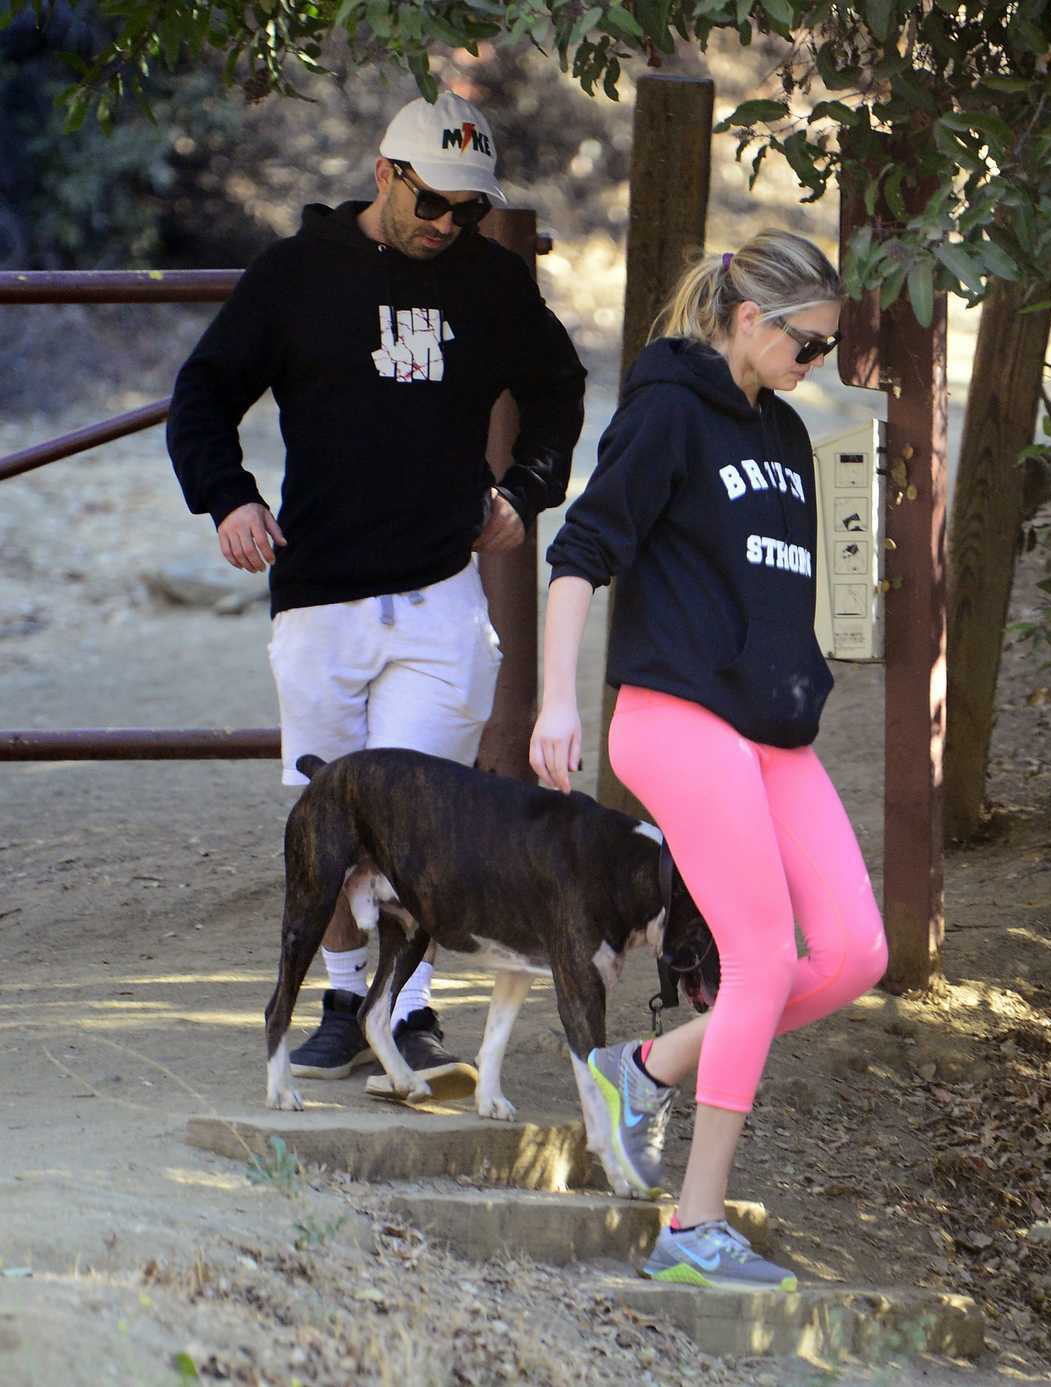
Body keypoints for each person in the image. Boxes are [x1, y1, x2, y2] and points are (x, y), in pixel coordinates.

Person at [169, 90, 586, 1099]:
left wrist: (525, 493)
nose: (449, 226)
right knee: (330, 821)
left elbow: (560, 391)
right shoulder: (296, 275)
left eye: (469, 212)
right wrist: (229, 501)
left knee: (421, 822)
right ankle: (347, 1000)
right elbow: (203, 394)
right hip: (318, 596)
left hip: (440, 592)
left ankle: (409, 1008)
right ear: (384, 176)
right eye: (434, 204)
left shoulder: (489, 283)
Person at [530, 230, 888, 1291]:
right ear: (746, 318)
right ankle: (692, 1230)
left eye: (825, 348)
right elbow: (578, 555)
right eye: (806, 343)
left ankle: (639, 1072)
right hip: (676, 716)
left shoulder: (782, 434)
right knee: (764, 957)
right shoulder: (665, 411)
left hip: (774, 731)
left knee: (854, 953)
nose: (813, 364)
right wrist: (557, 701)